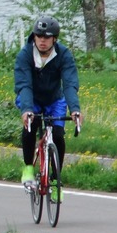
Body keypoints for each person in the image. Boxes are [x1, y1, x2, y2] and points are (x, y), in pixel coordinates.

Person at [14, 16, 82, 185]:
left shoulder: (64, 54)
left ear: (54, 39)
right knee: (30, 126)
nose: (42, 41)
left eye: (47, 37)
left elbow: (69, 84)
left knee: (58, 135)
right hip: (31, 98)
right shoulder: (25, 55)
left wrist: (75, 109)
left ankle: (55, 179)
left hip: (54, 99)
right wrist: (27, 109)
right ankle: (28, 169)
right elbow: (24, 85)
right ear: (34, 37)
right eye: (38, 36)